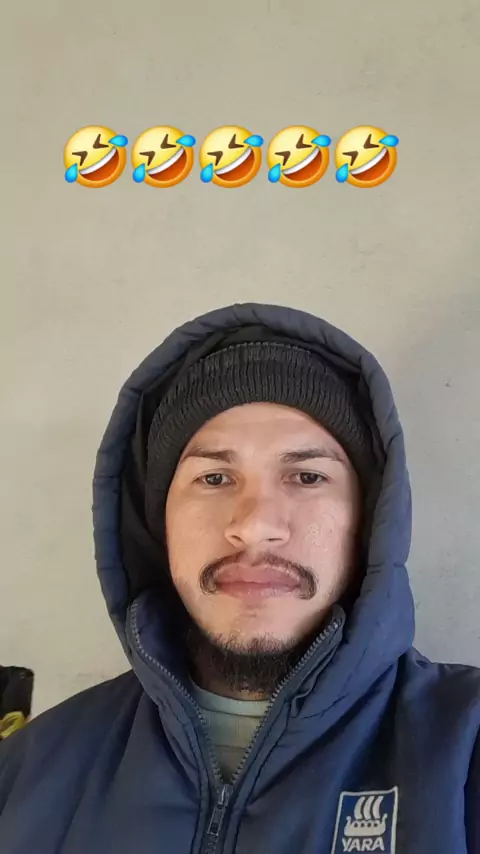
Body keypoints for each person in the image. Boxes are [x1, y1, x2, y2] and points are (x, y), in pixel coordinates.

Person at [1, 301, 479, 854]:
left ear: (369, 521)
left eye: (307, 476)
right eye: (214, 478)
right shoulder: (26, 773)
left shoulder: (464, 748)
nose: (254, 526)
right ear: (160, 525)